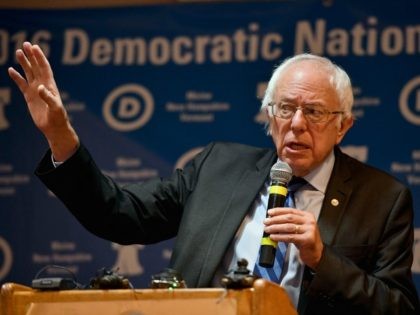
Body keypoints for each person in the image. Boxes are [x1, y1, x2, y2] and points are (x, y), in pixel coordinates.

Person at [8, 42, 419, 315]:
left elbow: (399, 308)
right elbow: (117, 214)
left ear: (343, 126)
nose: (296, 125)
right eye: (284, 109)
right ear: (268, 114)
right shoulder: (218, 168)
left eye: (313, 112)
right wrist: (61, 138)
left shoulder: (382, 198)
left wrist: (321, 260)